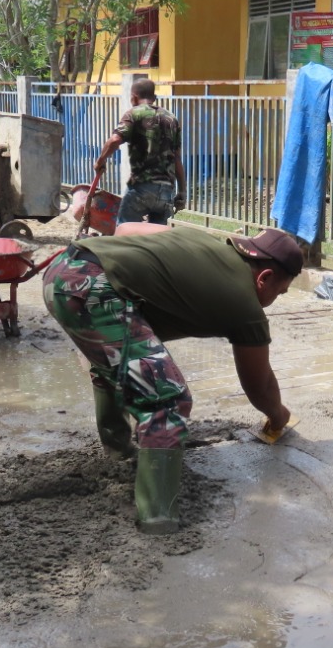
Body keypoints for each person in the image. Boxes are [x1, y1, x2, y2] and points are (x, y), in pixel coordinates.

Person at [42, 224, 300, 534]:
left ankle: (119, 452)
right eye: (280, 292)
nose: (276, 299)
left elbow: (126, 229)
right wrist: (278, 415)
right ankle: (158, 522)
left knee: (121, 364)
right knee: (166, 399)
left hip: (63, 270)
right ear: (265, 278)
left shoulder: (204, 241)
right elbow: (259, 386)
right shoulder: (246, 306)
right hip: (91, 291)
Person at [93, 78, 186, 225]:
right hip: (165, 192)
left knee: (125, 232)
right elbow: (177, 159)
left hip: (141, 189)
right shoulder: (171, 119)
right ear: (154, 98)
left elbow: (115, 140)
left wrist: (100, 161)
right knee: (156, 239)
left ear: (134, 97)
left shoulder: (134, 114)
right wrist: (182, 192)